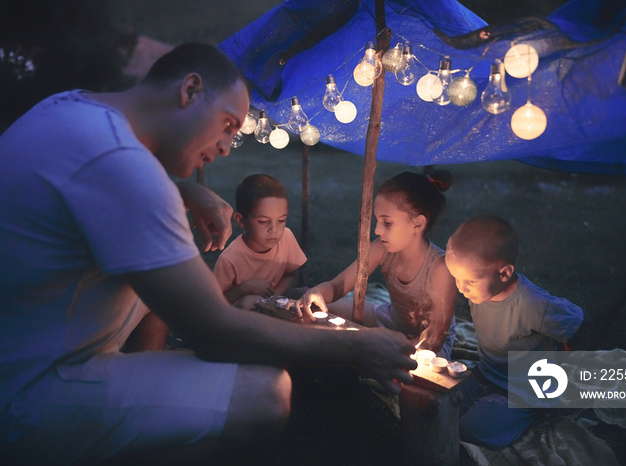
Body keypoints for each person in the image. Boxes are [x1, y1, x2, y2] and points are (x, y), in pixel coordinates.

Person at [0, 43, 416, 465]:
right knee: (265, 392)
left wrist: (182, 190)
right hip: (31, 391)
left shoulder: (68, 112)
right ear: (191, 89)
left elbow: (91, 187)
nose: (224, 146)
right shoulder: (118, 164)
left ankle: (145, 376)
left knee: (169, 267)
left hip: (24, 348)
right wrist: (358, 347)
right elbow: (214, 331)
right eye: (227, 125)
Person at [444, 214, 586, 449]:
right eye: (456, 279)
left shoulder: (532, 304)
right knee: (443, 408)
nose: (461, 288)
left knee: (471, 429)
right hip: (486, 373)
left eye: (469, 281)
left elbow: (578, 322)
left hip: (522, 389)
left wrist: (562, 360)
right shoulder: (481, 291)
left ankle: (535, 413)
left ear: (504, 274)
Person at [293, 170, 458, 358]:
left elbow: (435, 337)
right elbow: (339, 285)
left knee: (413, 378)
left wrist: (395, 346)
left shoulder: (440, 268)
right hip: (388, 320)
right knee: (305, 300)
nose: (378, 230)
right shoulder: (382, 248)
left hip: (428, 345)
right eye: (377, 221)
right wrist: (318, 292)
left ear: (418, 224)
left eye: (387, 223)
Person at [213, 174, 307, 309]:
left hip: (278, 299)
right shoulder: (229, 260)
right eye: (263, 221)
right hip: (242, 314)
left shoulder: (286, 236)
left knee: (307, 294)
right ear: (240, 220)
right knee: (250, 302)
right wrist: (244, 288)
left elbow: (291, 275)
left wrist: (272, 299)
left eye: (281, 220)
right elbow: (215, 303)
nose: (274, 230)